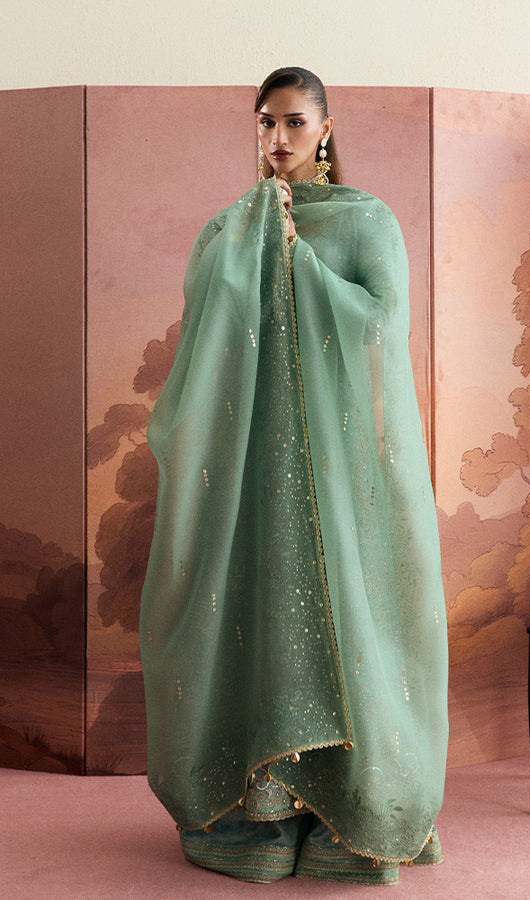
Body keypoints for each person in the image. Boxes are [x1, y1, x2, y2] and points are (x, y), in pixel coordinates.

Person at [140, 66, 448, 886]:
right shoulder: (228, 227)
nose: (278, 138)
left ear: (326, 129)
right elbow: (201, 336)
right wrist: (254, 245)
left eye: (295, 122)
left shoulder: (366, 220)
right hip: (250, 461)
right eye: (265, 122)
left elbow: (383, 327)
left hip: (338, 464)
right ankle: (265, 810)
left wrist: (297, 259)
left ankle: (351, 810)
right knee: (260, 610)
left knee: (348, 618)